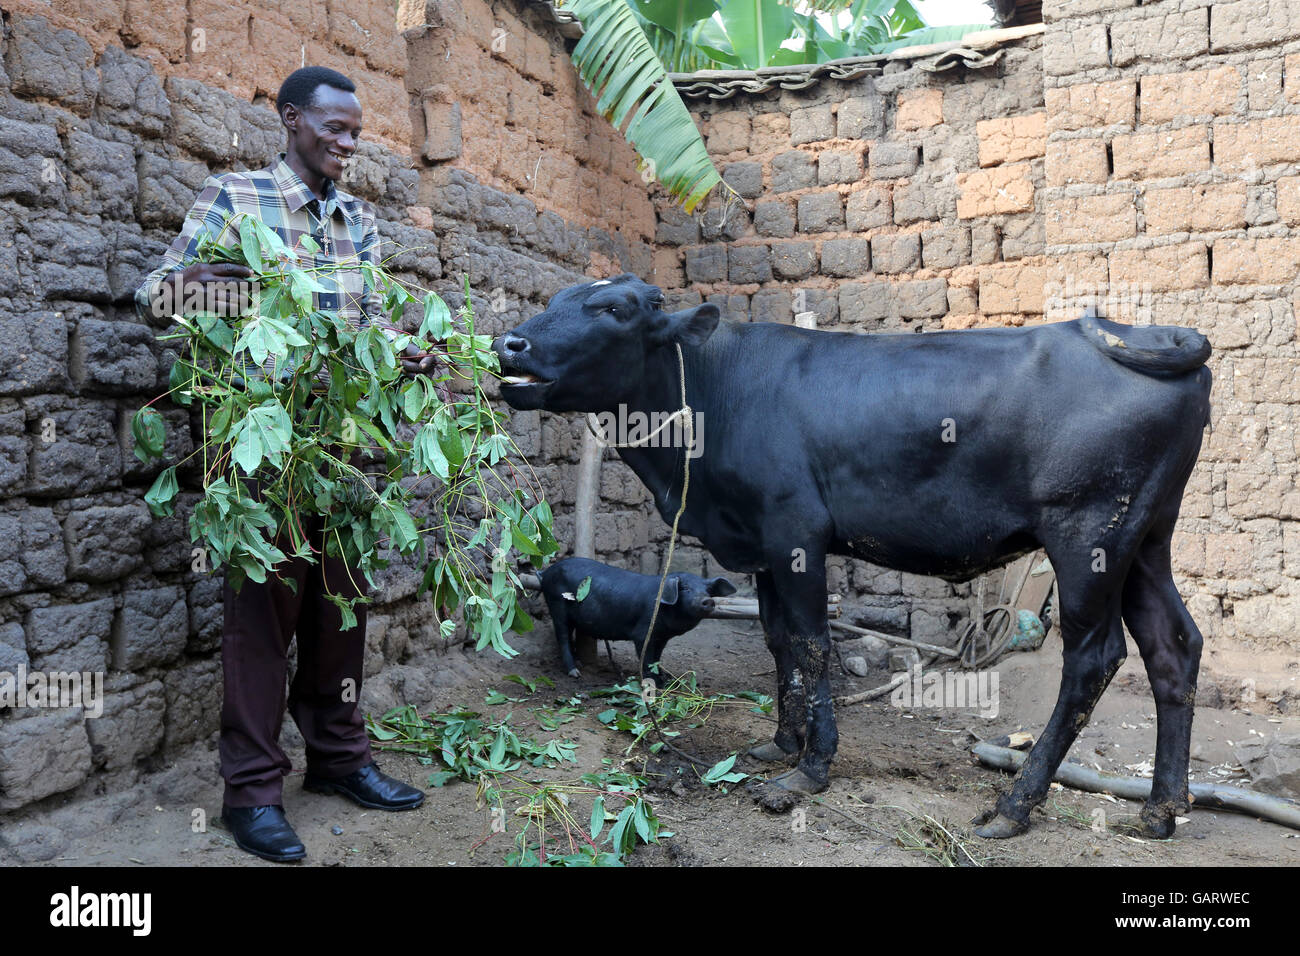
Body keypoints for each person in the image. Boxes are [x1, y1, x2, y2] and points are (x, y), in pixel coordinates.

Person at [135, 66, 437, 863]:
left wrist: (407, 354)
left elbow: (370, 322)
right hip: (259, 446)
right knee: (260, 623)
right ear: (291, 118)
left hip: (338, 447)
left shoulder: (358, 220)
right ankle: (253, 796)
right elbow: (157, 297)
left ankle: (339, 762)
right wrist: (239, 294)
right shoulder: (236, 199)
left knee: (341, 614)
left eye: (357, 132)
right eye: (335, 128)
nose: (348, 143)